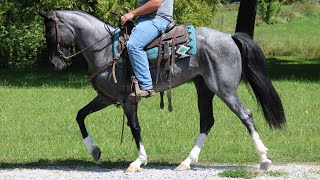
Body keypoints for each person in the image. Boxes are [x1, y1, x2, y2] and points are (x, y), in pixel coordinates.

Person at [121, 0, 174, 99]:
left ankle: (146, 86)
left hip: (157, 19)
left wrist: (132, 13)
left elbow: (156, 2)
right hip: (146, 19)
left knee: (133, 45)